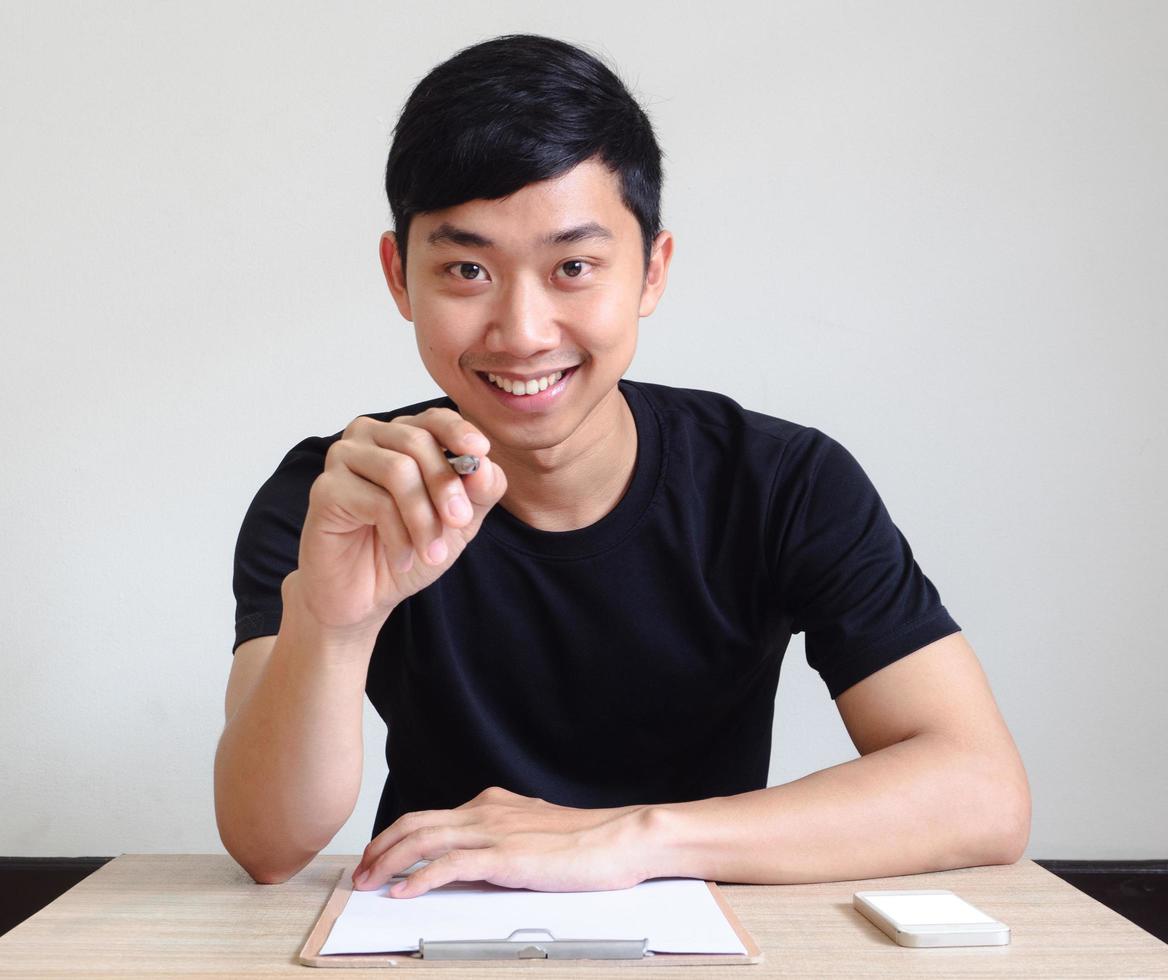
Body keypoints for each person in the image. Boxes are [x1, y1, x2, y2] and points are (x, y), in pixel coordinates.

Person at [215, 34, 1030, 898]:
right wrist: (335, 629)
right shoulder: (343, 495)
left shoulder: (782, 481)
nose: (523, 331)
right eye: (466, 268)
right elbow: (268, 845)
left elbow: (981, 793)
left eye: (573, 266)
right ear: (399, 277)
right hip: (427, 927)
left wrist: (628, 840)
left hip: (705, 934)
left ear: (650, 271)